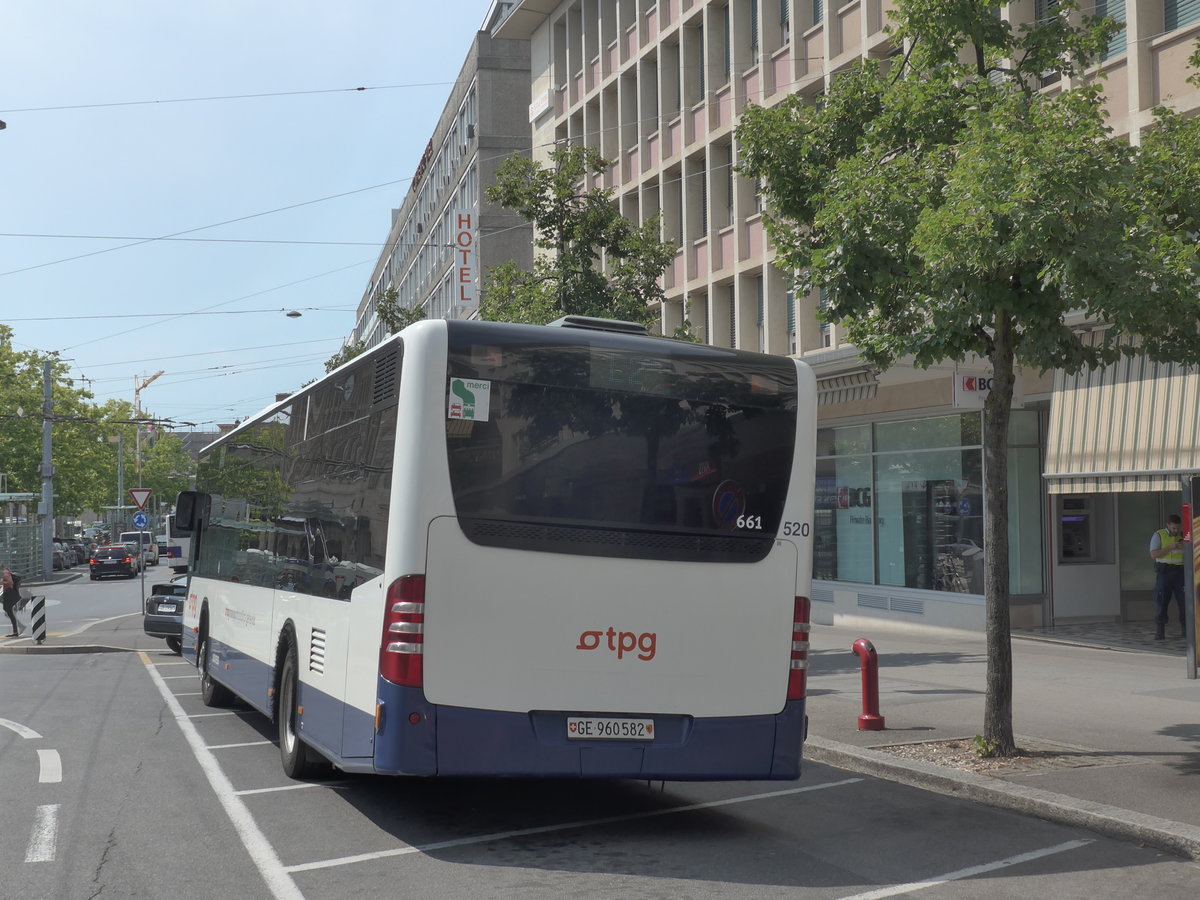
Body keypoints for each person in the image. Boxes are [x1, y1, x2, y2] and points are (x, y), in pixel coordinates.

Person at [1149, 514, 1187, 640]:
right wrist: (1171, 547)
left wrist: (1185, 546)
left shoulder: (1183, 535)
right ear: (1168, 525)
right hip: (1164, 572)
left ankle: (1186, 629)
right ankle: (1160, 631)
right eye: (1173, 528)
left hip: (1180, 573)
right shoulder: (1158, 535)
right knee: (1161, 600)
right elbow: (1154, 554)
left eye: (1177, 528)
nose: (1175, 531)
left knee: (1184, 601)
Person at [2, 563, 22, 637]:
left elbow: (10, 582)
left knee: (8, 610)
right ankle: (15, 631)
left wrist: (1, 582)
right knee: (9, 611)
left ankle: (16, 631)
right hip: (9, 593)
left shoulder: (5, 573)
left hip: (9, 594)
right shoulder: (6, 571)